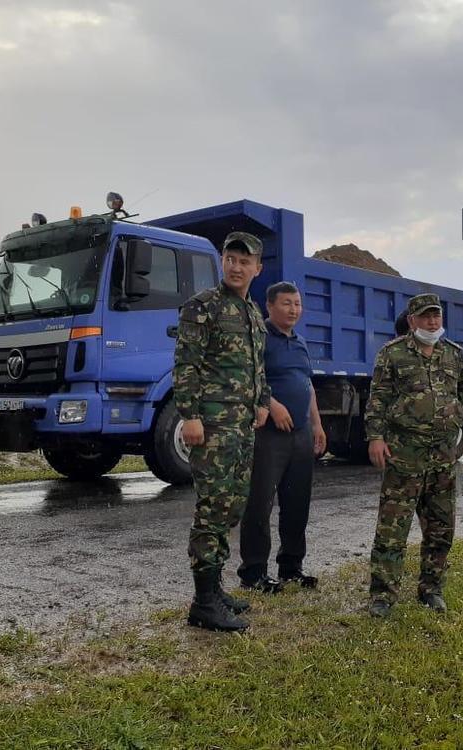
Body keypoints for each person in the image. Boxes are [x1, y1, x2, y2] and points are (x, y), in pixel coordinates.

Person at [174, 231, 270, 632]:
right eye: (230, 259)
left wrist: (262, 402)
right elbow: (186, 363)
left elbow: (257, 367)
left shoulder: (253, 314)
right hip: (212, 425)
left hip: (242, 427)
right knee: (212, 508)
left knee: (233, 506)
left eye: (244, 261)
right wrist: (189, 415)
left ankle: (215, 588)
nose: (236, 266)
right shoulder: (203, 307)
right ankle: (204, 602)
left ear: (257, 269)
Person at [365, 293, 463, 618]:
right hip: (404, 455)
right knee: (392, 529)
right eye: (425, 316)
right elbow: (378, 401)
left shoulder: (454, 355)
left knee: (441, 528)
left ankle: (431, 589)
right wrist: (375, 437)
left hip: (443, 456)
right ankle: (383, 596)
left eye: (436, 316)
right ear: (412, 320)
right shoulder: (392, 354)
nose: (432, 322)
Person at [238, 282, 327, 592]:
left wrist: (316, 424)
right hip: (269, 435)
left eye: (298, 304)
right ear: (270, 306)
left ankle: (291, 567)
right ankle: (253, 573)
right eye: (287, 303)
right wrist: (272, 405)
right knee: (259, 504)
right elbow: (248, 378)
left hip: (301, 434)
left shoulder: (300, 342)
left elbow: (307, 384)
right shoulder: (259, 337)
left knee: (297, 503)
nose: (294, 310)